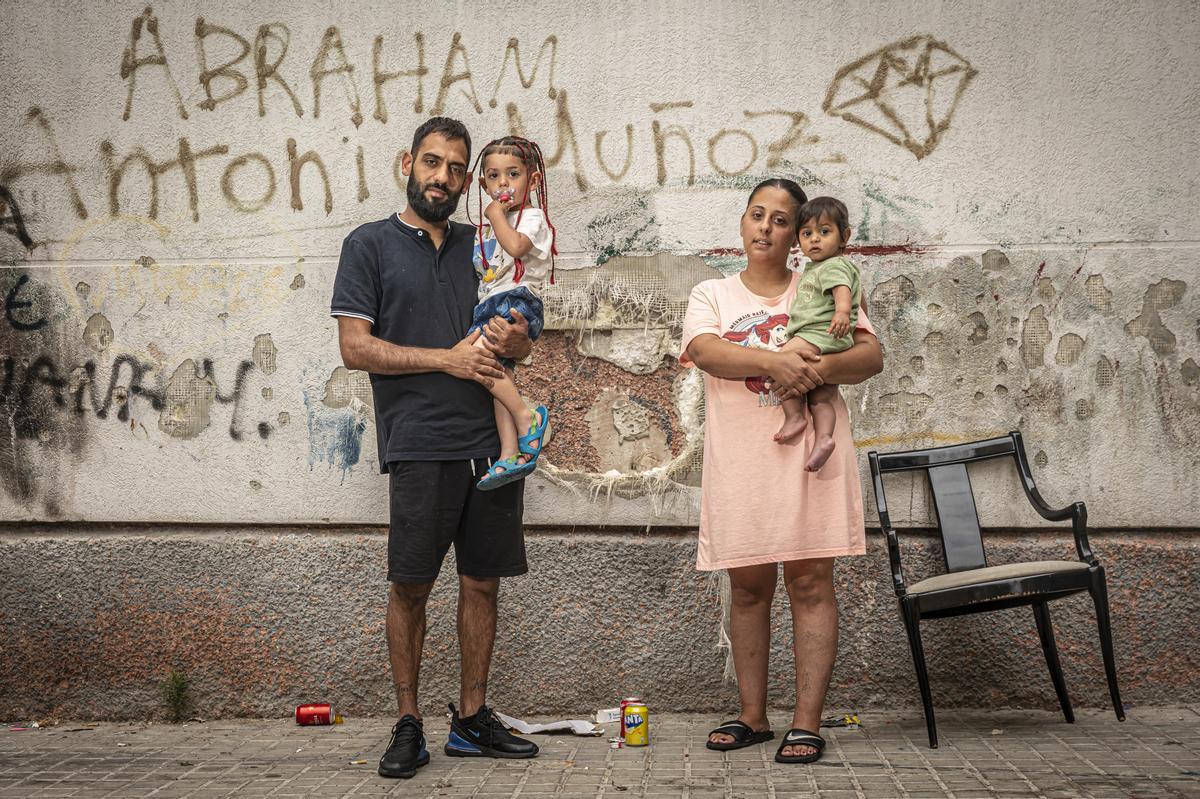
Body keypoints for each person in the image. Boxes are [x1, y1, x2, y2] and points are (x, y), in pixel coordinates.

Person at [330, 117, 539, 779]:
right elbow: (355, 346)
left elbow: (525, 336)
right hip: (419, 444)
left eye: (455, 167)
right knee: (411, 588)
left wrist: (515, 344)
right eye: (432, 163)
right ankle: (409, 722)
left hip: (490, 445)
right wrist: (444, 360)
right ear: (407, 164)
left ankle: (472, 720)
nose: (443, 177)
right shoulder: (369, 245)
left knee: (482, 583)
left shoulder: (485, 244)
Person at [680, 178, 883, 764]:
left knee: (811, 582)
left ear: (798, 234)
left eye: (780, 220)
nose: (765, 228)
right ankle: (753, 716)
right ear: (742, 224)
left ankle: (807, 723)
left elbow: (869, 355)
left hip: (808, 459)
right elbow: (707, 352)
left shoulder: (819, 282)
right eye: (756, 216)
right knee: (747, 587)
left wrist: (811, 373)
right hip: (741, 462)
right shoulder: (712, 292)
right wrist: (776, 361)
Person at [468, 136, 556, 489]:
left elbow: (517, 247)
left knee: (476, 359)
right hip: (491, 305)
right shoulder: (489, 227)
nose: (503, 183)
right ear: (483, 183)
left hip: (517, 301)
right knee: (497, 380)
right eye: (493, 176)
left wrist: (495, 214)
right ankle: (508, 455)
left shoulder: (531, 218)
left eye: (513, 174)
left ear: (532, 181)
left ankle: (528, 417)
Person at [773, 196, 861, 473]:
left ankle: (795, 416)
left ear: (844, 236)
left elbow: (841, 290)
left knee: (780, 363)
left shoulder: (832, 266)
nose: (815, 239)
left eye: (825, 231)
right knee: (822, 396)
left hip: (819, 333)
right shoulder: (822, 266)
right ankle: (824, 438)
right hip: (832, 338)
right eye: (807, 233)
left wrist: (842, 313)